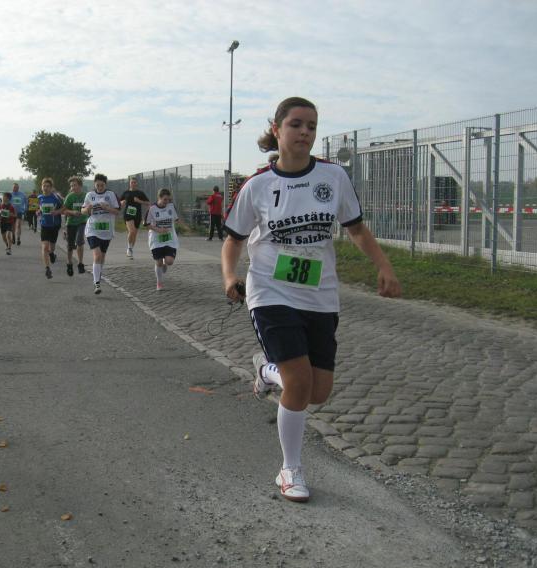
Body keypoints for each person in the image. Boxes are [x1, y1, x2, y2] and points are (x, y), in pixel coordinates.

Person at [221, 97, 401, 503]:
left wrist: (384, 266)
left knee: (318, 392)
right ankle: (290, 469)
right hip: (270, 291)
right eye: (296, 124)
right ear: (277, 129)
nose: (305, 132)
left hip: (320, 295)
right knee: (299, 382)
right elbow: (232, 240)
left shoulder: (333, 177)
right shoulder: (258, 185)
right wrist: (230, 276)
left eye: (312, 126)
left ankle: (267, 371)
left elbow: (356, 229)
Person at [81, 173, 119, 294]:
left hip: (106, 230)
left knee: (102, 256)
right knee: (97, 255)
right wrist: (87, 209)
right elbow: (82, 210)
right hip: (92, 229)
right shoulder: (90, 195)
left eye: (102, 185)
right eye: (97, 185)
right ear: (94, 184)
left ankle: (98, 273)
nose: (100, 187)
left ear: (105, 185)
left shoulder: (111, 195)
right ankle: (97, 283)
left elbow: (117, 211)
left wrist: (107, 208)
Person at [145, 188, 180, 291]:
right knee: (158, 262)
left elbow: (176, 219)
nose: (167, 202)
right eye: (165, 199)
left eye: (168, 199)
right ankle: (159, 283)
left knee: (169, 261)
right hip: (156, 240)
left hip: (169, 238)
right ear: (159, 198)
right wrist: (158, 229)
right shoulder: (152, 209)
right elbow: (146, 224)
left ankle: (165, 263)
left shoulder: (171, 206)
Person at [37, 178, 63, 279]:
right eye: (44, 186)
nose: (46, 188)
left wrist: (57, 212)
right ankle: (47, 269)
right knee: (45, 247)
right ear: (41, 187)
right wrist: (38, 211)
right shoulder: (40, 198)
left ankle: (52, 253)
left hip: (54, 225)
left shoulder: (56, 198)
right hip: (44, 225)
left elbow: (64, 208)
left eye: (48, 186)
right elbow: (38, 208)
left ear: (51, 188)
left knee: (52, 247)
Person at [62, 176, 88, 276]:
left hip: (82, 222)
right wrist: (72, 212)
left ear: (80, 186)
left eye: (74, 185)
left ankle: (80, 263)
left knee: (79, 240)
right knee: (70, 245)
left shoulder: (86, 196)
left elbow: (89, 207)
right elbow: (64, 210)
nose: (72, 187)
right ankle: (69, 263)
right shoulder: (70, 197)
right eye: (71, 186)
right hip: (71, 223)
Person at [119, 176, 149, 259]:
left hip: (137, 215)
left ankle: (131, 249)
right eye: (132, 182)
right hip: (128, 214)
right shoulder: (126, 193)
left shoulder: (140, 193)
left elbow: (148, 203)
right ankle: (129, 248)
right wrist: (122, 202)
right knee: (131, 231)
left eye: (135, 182)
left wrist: (139, 201)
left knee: (134, 234)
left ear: (137, 183)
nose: (133, 184)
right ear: (129, 183)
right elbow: (118, 203)